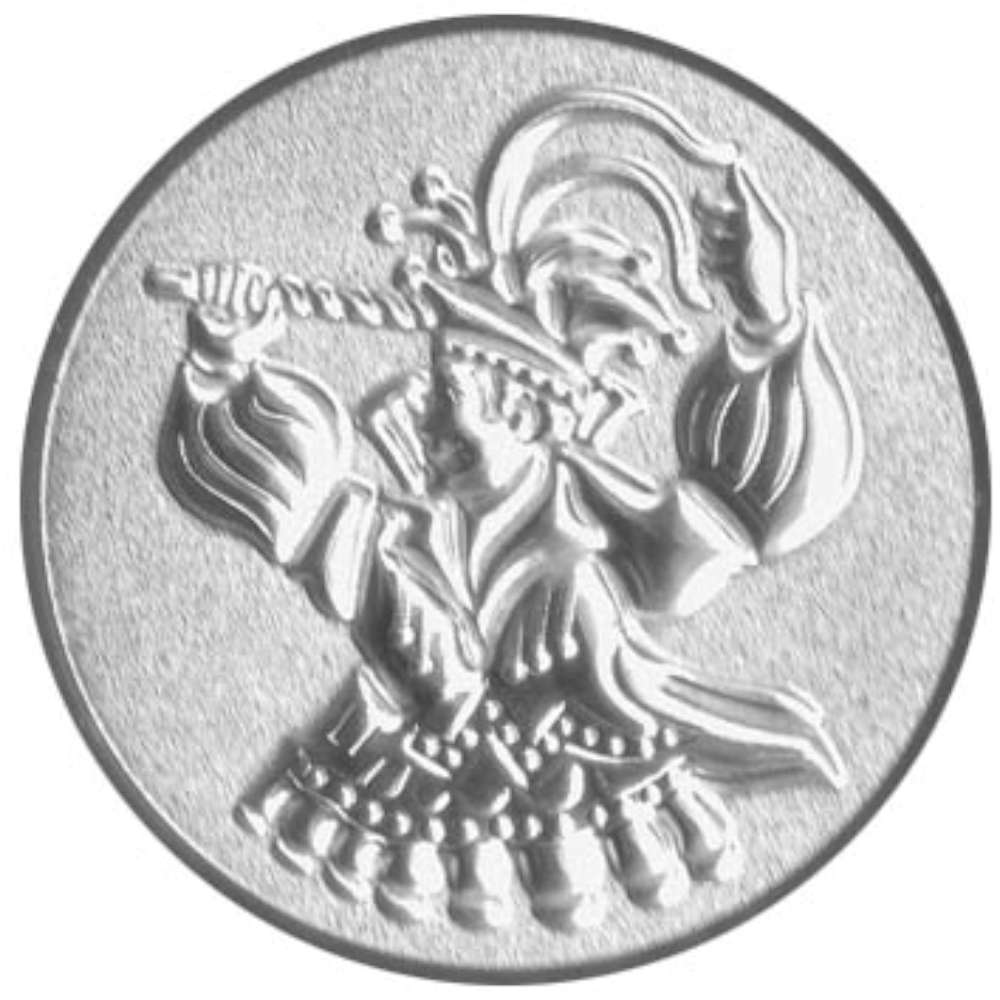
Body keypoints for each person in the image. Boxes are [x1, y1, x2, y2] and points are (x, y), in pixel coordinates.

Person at [153, 88, 862, 931]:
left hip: (600, 796)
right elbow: (289, 505)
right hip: (405, 812)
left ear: (524, 412)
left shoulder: (601, 522)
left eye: (449, 400)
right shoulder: (398, 538)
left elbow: (750, 514)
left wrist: (769, 319)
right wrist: (223, 359)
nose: (423, 419)